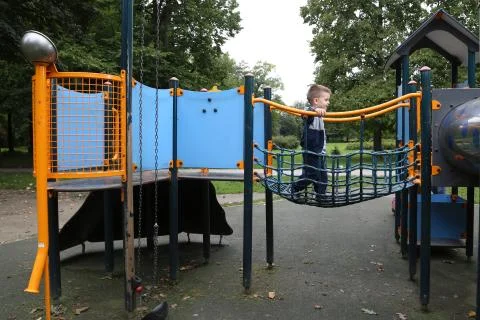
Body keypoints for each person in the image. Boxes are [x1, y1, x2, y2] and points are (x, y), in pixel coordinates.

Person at [291, 84, 331, 200]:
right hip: (311, 151)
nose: (328, 102)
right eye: (326, 100)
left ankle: (320, 195)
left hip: (320, 151)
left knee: (322, 176)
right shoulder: (311, 114)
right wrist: (314, 110)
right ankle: (294, 188)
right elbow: (304, 115)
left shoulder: (320, 115)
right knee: (311, 174)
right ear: (316, 100)